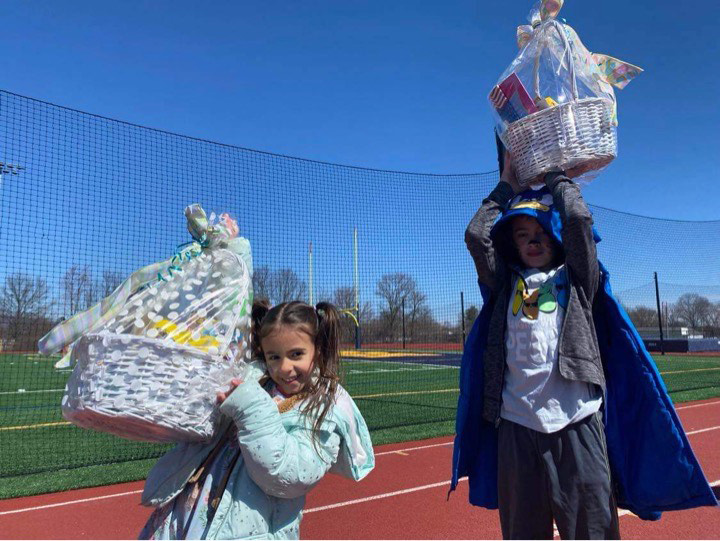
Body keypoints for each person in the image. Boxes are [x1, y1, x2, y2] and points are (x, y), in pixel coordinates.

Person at [450, 138, 716, 539]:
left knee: (593, 530)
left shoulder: (576, 281)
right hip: (516, 426)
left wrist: (557, 174)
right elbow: (476, 235)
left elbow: (576, 221)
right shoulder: (503, 285)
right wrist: (506, 185)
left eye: (541, 232)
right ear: (512, 243)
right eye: (523, 235)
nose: (534, 241)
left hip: (577, 421)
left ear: (554, 239)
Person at [139, 300, 375, 540]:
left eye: (296, 354)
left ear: (319, 349)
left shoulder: (325, 410)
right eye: (274, 356)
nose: (284, 367)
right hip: (189, 517)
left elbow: (290, 475)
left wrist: (250, 407)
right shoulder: (254, 380)